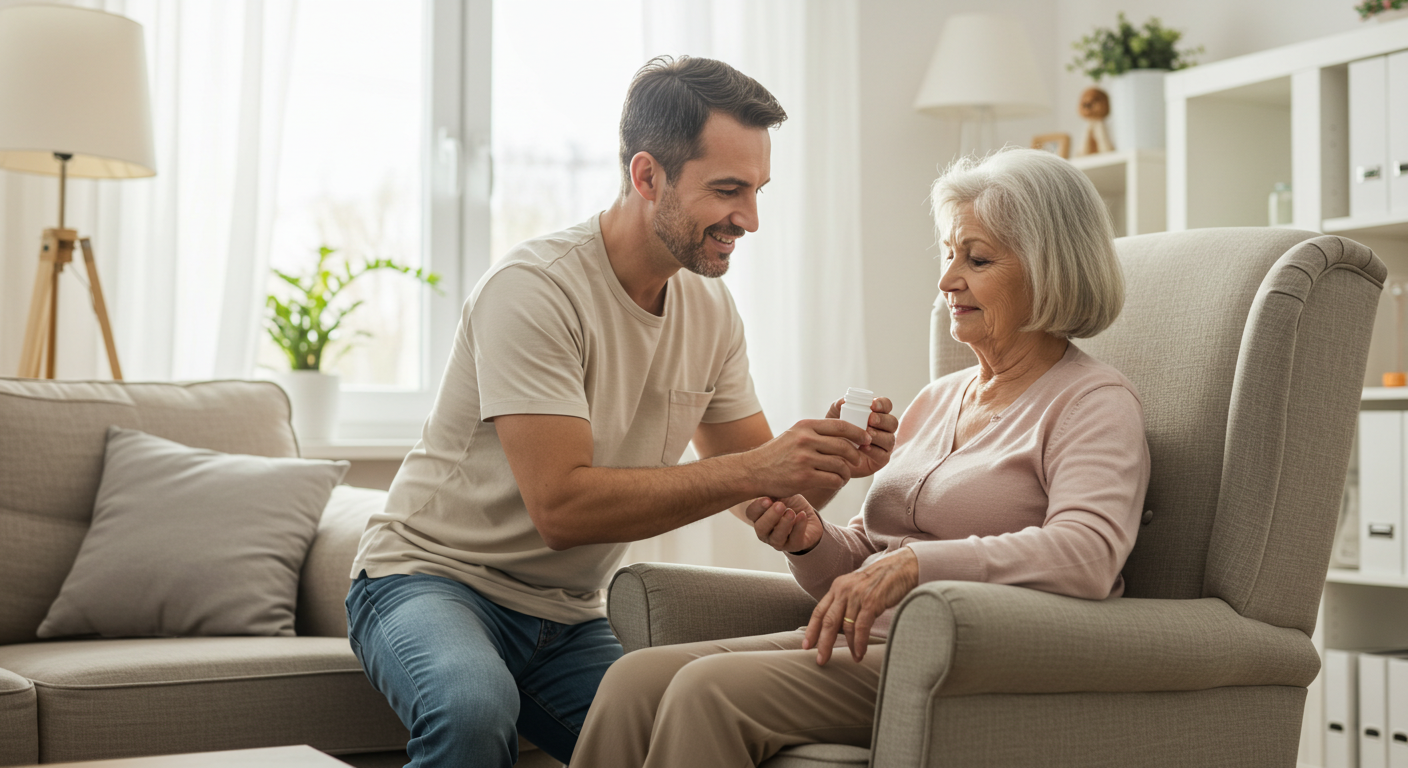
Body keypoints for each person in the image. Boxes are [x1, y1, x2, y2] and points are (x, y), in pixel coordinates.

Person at [343, 55, 900, 768]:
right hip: (431, 580)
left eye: (758, 191)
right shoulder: (534, 291)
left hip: (566, 616)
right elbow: (563, 509)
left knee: (675, 728)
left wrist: (828, 462)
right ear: (646, 176)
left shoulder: (710, 310)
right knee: (471, 709)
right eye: (728, 190)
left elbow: (768, 497)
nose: (750, 219)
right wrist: (758, 466)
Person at [570, 147, 1153, 768]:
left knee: (703, 692)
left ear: (1050, 270)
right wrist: (810, 539)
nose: (947, 279)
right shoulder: (939, 399)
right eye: (949, 253)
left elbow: (1088, 556)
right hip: (868, 641)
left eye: (976, 259)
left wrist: (914, 566)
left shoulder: (1093, 403)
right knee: (634, 682)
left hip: (967, 660)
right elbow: (864, 561)